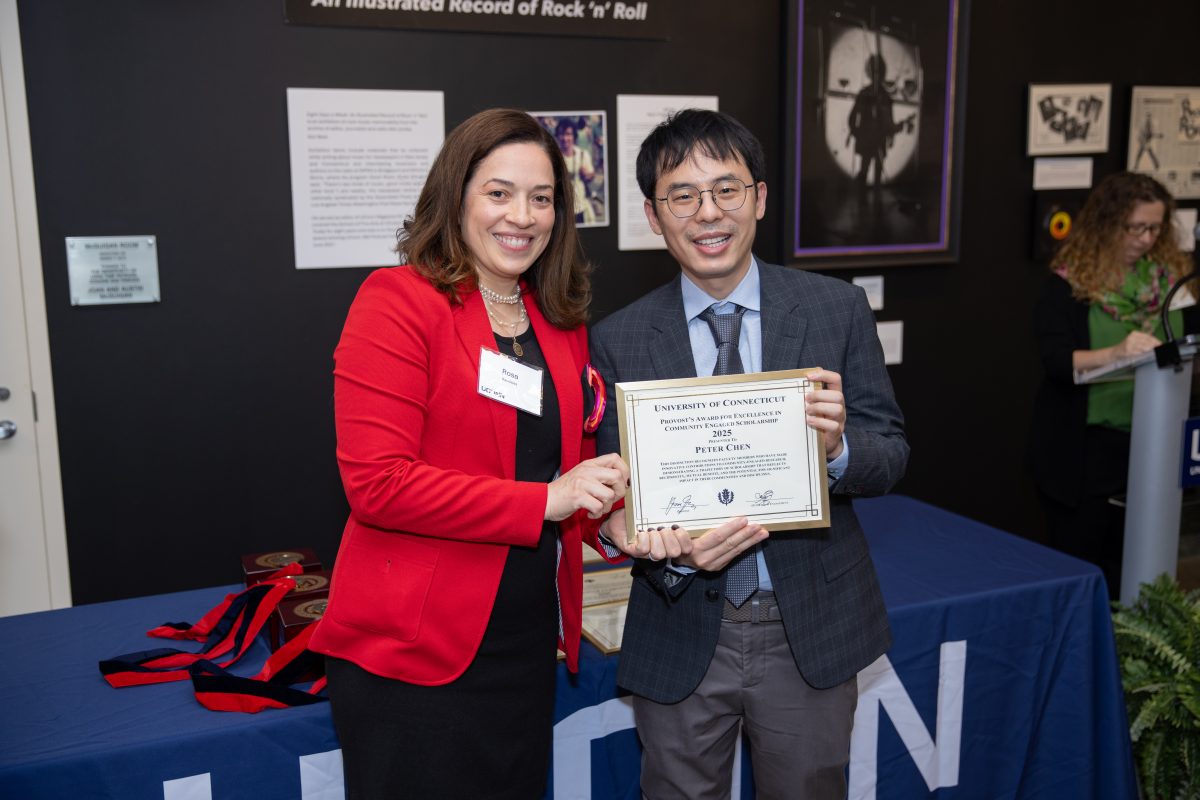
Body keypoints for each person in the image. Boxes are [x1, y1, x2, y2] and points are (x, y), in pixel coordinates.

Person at [308, 108, 629, 799]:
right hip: (414, 655)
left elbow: (571, 475)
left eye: (542, 198)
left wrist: (619, 520)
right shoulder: (396, 303)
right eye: (499, 192)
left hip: (523, 645)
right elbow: (380, 486)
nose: (523, 215)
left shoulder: (557, 322)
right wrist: (548, 502)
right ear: (456, 198)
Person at [589, 109, 908, 797]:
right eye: (684, 195)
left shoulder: (835, 309)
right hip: (679, 626)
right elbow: (613, 493)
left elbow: (891, 453)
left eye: (727, 189)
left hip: (809, 628)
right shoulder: (620, 339)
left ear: (759, 198)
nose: (709, 213)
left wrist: (835, 449)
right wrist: (642, 533)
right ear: (654, 214)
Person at [1030, 171, 1196, 598]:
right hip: (1086, 453)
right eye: (1135, 227)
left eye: (1154, 228)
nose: (1145, 238)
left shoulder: (1172, 284)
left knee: (1141, 572)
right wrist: (1119, 351)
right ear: (1107, 224)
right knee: (1085, 566)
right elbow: (1056, 364)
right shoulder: (1069, 285)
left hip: (1155, 445)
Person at [556, 117, 596, 224]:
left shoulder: (582, 155)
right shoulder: (553, 157)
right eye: (561, 134)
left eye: (568, 134)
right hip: (560, 210)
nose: (565, 138)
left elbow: (591, 176)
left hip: (579, 207)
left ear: (574, 136)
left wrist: (587, 175)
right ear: (557, 136)